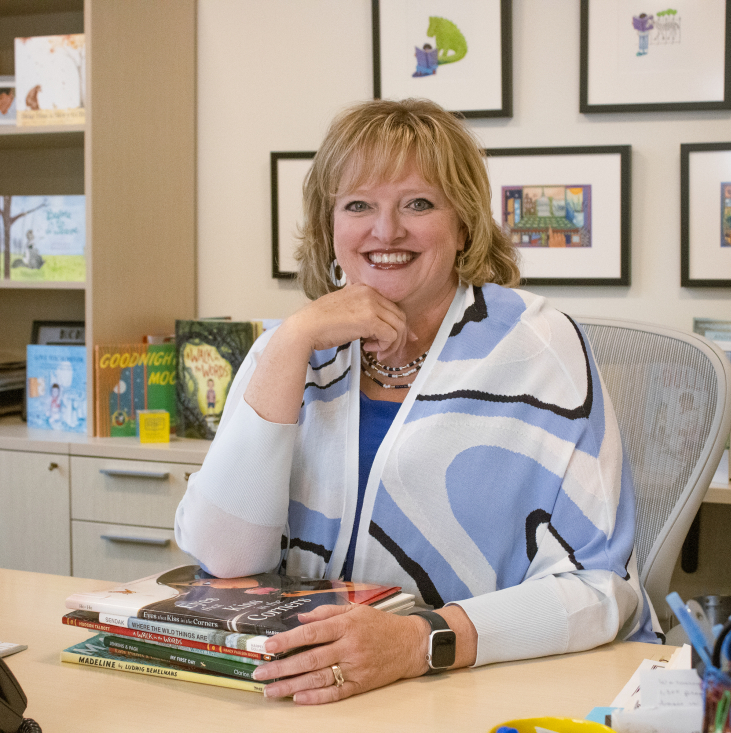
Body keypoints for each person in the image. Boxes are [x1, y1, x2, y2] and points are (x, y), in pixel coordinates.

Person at [174, 99, 653, 705]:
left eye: (418, 204)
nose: (386, 231)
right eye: (358, 206)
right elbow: (223, 559)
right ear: (329, 229)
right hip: (311, 692)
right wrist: (291, 342)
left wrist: (418, 642)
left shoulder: (537, 349)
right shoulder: (292, 348)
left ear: (464, 225)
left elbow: (601, 587)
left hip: (492, 689)